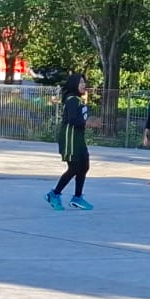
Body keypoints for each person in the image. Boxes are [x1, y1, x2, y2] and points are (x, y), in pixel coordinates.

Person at [48, 73, 94, 210]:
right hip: (70, 138)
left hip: (78, 138)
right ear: (74, 84)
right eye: (80, 83)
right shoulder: (72, 99)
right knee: (74, 168)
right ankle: (54, 194)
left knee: (84, 165)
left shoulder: (79, 100)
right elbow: (73, 120)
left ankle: (77, 198)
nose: (83, 85)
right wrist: (90, 123)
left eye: (84, 82)